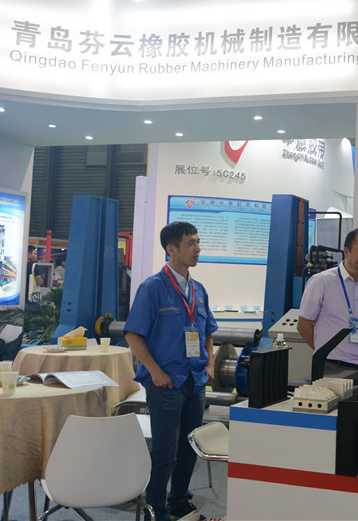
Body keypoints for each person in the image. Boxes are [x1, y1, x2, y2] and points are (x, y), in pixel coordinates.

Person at [124, 222, 218, 521]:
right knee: (165, 451)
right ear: (171, 249)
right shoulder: (152, 288)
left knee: (190, 447)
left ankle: (179, 500)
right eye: (191, 243)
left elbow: (207, 332)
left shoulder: (199, 290)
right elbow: (133, 335)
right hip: (165, 384)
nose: (198, 249)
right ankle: (156, 509)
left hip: (194, 381)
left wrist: (210, 364)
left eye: (198, 242)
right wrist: (155, 372)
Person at [298, 228, 358, 376]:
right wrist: (326, 354)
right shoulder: (321, 282)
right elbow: (303, 326)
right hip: (331, 367)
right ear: (347, 252)